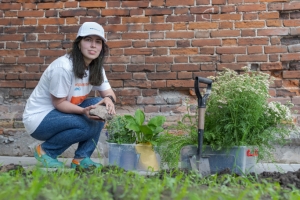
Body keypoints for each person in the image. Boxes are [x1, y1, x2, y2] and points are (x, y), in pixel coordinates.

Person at [22, 22, 116, 168]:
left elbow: (109, 93)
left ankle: (81, 158)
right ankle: (46, 151)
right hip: (40, 119)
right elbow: (58, 103)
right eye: (88, 40)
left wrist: (109, 101)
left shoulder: (96, 66)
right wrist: (84, 111)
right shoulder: (64, 67)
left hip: (64, 115)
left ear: (102, 47)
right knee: (86, 123)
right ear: (79, 44)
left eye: (98, 42)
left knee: (100, 107)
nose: (93, 45)